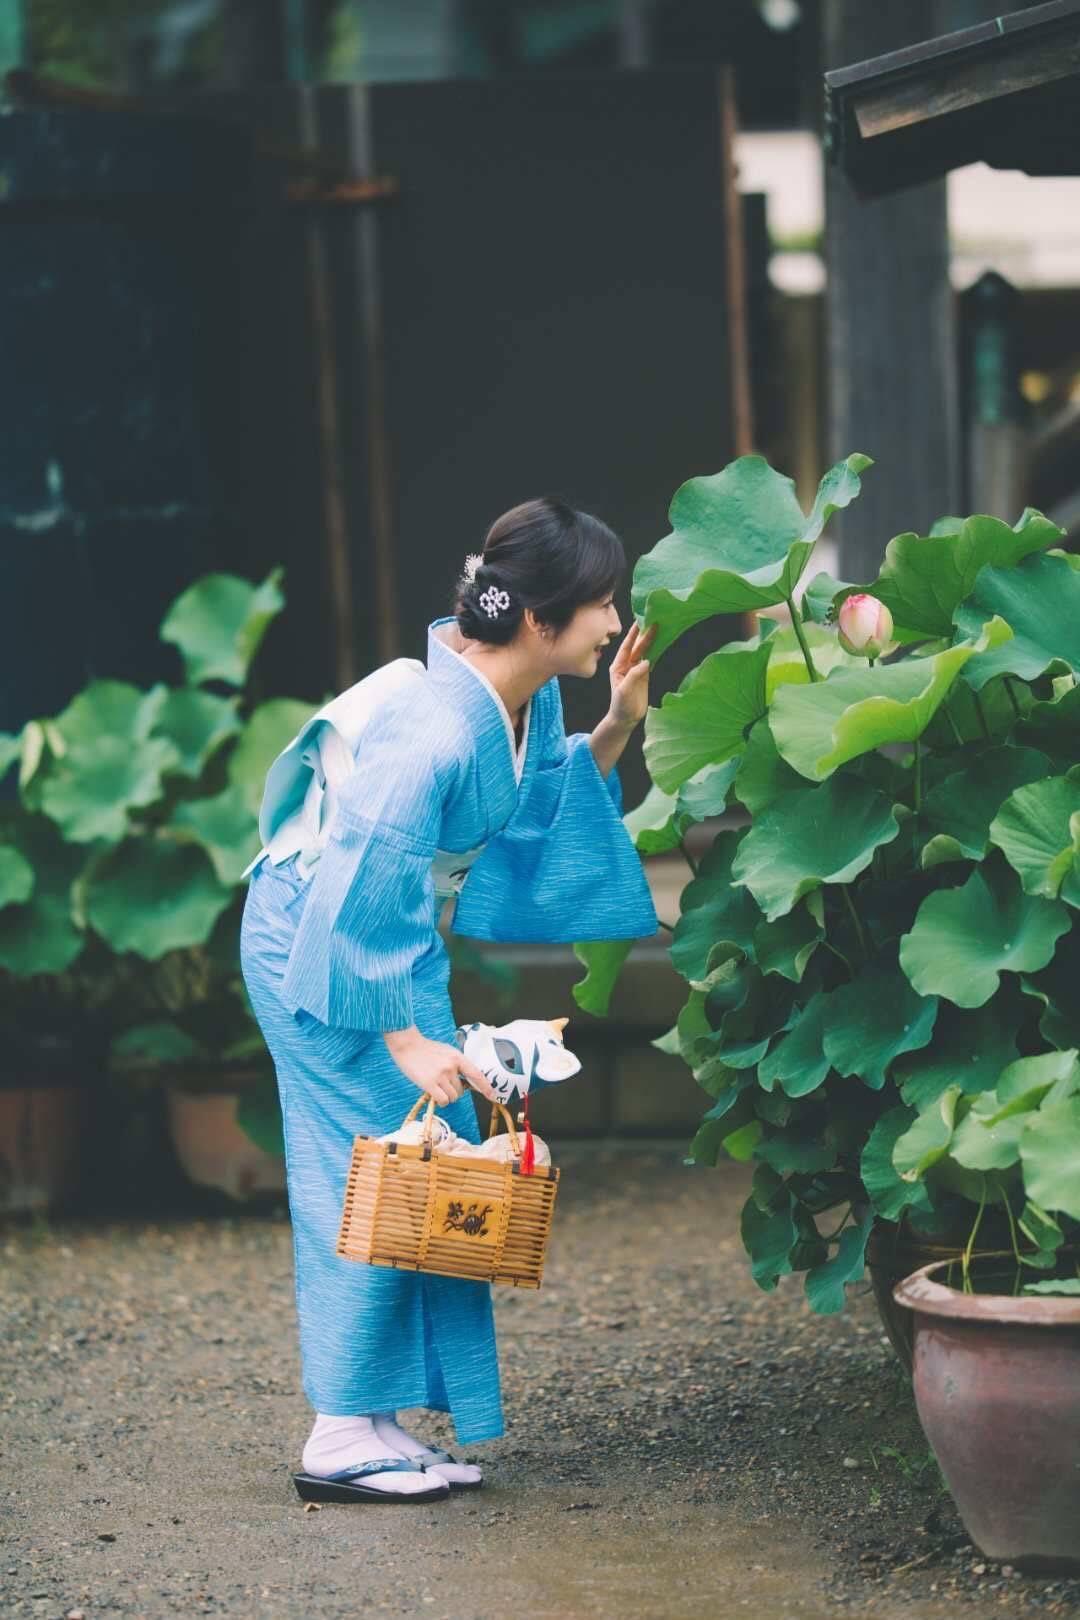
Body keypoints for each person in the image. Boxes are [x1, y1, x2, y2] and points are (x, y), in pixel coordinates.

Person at [240, 495, 658, 1504]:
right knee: (378, 1167)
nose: (613, 624)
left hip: (383, 943)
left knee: (420, 1162)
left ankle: (373, 1418)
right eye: (601, 605)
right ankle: (339, 1431)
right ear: (537, 620)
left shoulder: (510, 704)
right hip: (321, 944)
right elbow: (362, 875)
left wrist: (614, 726)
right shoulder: (431, 729)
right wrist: (400, 1037)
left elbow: (532, 807)